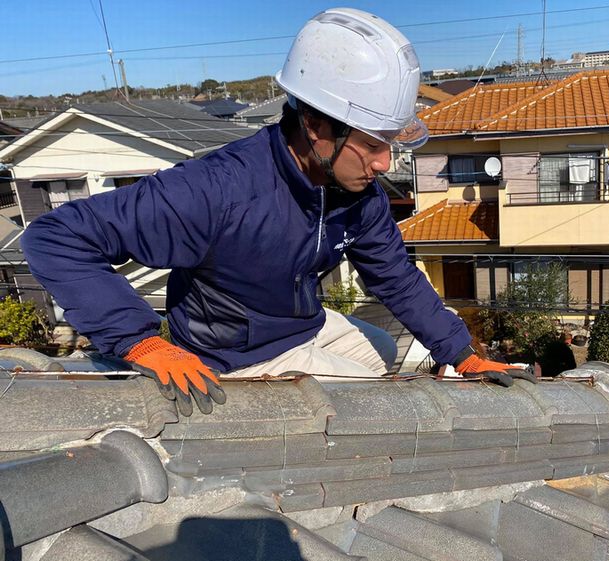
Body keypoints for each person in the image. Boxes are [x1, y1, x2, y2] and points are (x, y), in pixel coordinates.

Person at [21, 8, 535, 416]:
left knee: (385, 348)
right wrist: (139, 342)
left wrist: (460, 352)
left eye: (393, 144)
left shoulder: (356, 191)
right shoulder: (216, 191)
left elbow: (396, 277)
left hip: (301, 323)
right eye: (373, 144)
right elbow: (54, 238)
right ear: (315, 125)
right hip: (239, 353)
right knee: (382, 404)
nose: (385, 164)